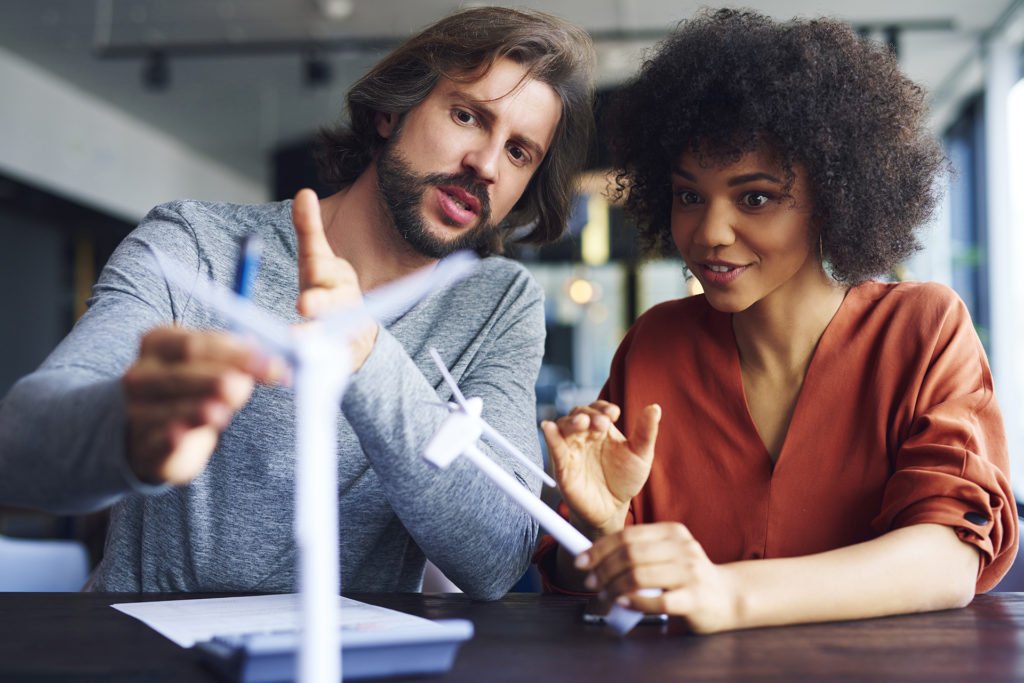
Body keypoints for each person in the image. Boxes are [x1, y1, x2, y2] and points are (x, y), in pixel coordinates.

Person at [0, 7, 594, 599]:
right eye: (467, 116)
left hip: (341, 656)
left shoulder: (499, 304)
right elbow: (19, 449)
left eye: (520, 152)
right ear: (392, 111)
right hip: (146, 652)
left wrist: (367, 356)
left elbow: (496, 559)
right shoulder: (195, 243)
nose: (486, 165)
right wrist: (126, 433)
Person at [538, 8, 1017, 632]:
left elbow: (949, 559)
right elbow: (585, 585)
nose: (708, 233)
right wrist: (604, 526)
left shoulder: (921, 330)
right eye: (688, 196)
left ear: (831, 198)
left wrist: (727, 595)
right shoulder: (657, 346)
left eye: (755, 197)